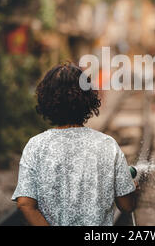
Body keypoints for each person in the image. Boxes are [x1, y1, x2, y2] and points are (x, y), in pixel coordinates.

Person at [11, 63, 138, 226]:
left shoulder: (35, 146)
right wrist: (132, 189)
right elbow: (127, 206)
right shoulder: (107, 145)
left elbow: (24, 204)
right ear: (88, 100)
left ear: (46, 101)